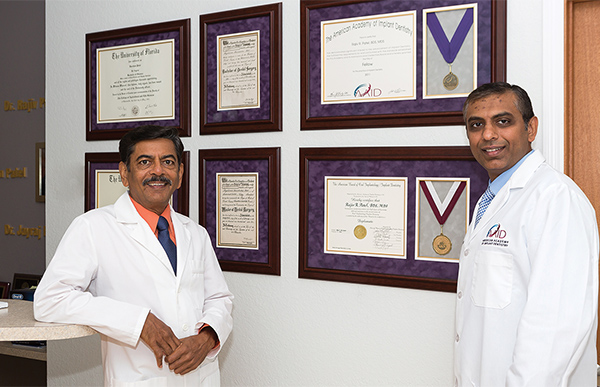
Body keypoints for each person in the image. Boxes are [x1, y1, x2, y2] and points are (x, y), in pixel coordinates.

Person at [34, 126, 233, 386]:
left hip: (201, 378)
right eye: (144, 162)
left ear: (180, 174)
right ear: (124, 174)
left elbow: (220, 298)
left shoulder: (195, 233)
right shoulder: (93, 227)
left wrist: (207, 337)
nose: (158, 171)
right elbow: (50, 299)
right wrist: (139, 322)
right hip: (138, 378)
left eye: (168, 162)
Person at [455, 82, 599, 386]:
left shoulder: (555, 199)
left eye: (503, 121)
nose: (489, 135)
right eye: (476, 125)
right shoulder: (492, 199)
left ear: (530, 128)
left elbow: (555, 326)